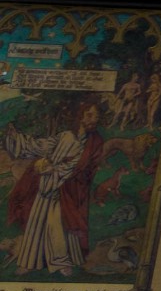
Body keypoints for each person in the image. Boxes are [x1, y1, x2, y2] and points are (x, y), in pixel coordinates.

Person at [6, 101, 103, 277]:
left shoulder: (92, 143)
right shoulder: (65, 136)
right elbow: (41, 146)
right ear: (80, 117)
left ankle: (61, 262)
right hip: (46, 184)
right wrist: (18, 137)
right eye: (89, 115)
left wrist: (55, 170)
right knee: (37, 223)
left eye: (96, 116)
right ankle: (30, 261)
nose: (93, 119)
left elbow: (83, 169)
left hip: (67, 189)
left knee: (56, 224)